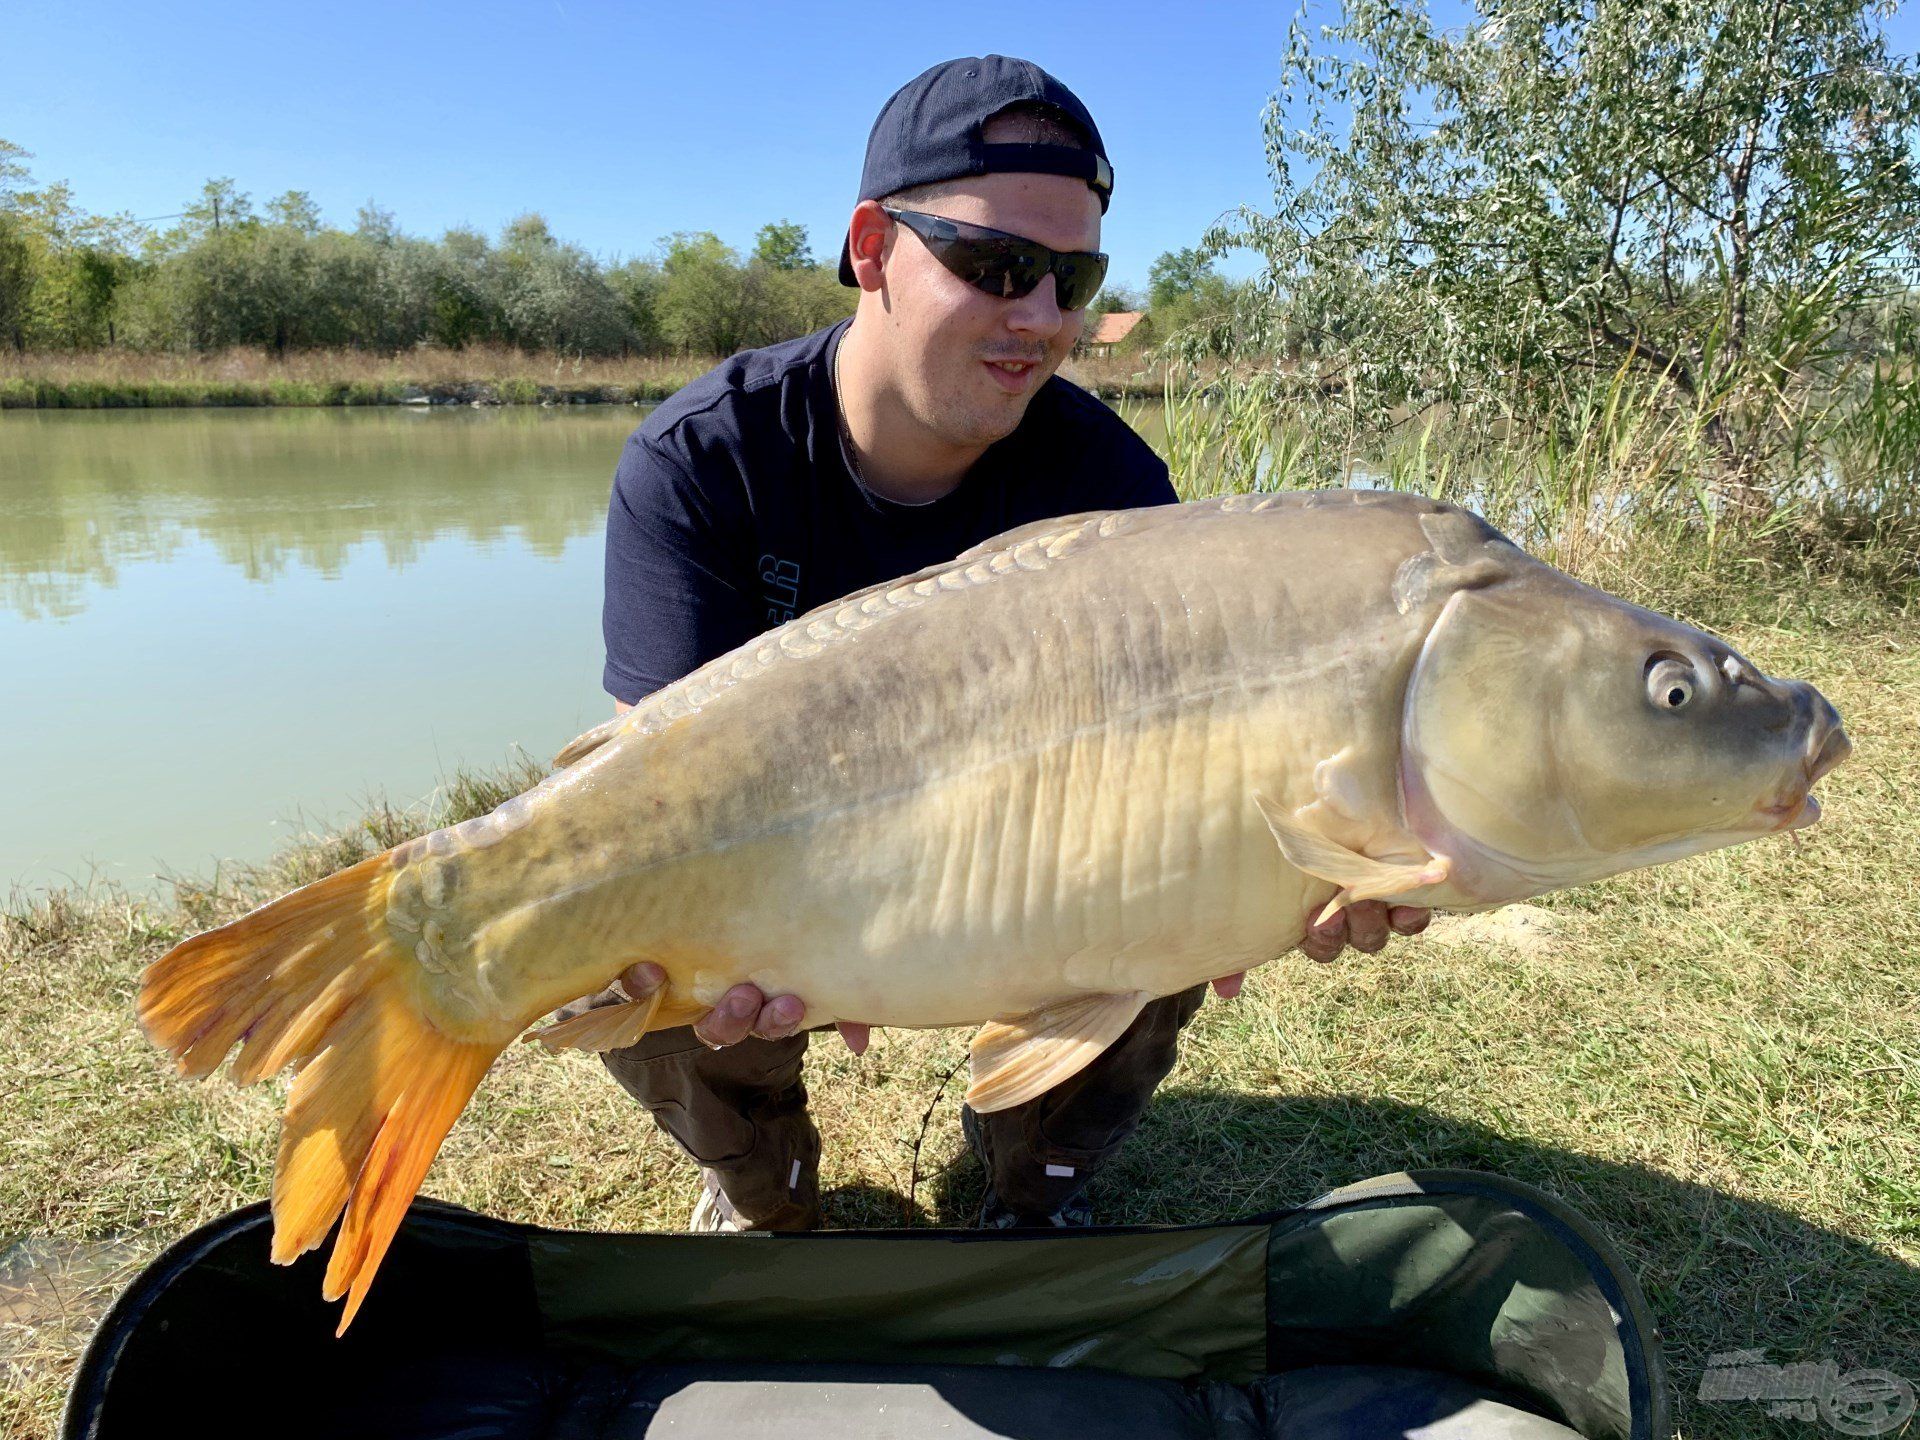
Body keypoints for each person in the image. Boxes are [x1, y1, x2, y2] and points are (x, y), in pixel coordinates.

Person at [560, 55, 1429, 1234]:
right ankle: (764, 1185)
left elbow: (1183, 786)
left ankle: (1035, 1179)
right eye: (998, 266)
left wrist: (1312, 872)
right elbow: (649, 796)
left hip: (1026, 865)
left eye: (1074, 279)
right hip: (781, 868)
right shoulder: (701, 463)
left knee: (1168, 914)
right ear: (872, 247)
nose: (1042, 319)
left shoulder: (1111, 488)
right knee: (624, 942)